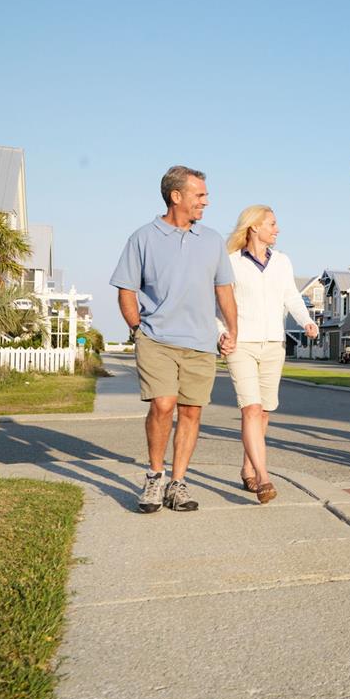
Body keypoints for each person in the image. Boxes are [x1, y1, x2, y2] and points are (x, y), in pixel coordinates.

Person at [111, 165, 237, 513]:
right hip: (156, 339)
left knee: (191, 412)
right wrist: (137, 330)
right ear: (176, 196)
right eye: (200, 195)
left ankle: (177, 484)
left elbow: (224, 290)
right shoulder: (143, 238)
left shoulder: (212, 240)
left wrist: (232, 331)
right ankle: (154, 478)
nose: (206, 202)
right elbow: (126, 289)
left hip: (201, 342)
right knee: (163, 405)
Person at [223, 205, 319, 505]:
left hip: (273, 345)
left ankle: (248, 466)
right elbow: (218, 306)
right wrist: (221, 334)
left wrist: (306, 321)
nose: (277, 229)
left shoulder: (282, 262)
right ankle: (263, 478)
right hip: (241, 345)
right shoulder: (230, 263)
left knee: (263, 412)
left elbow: (290, 295)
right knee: (250, 409)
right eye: (272, 224)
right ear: (254, 227)